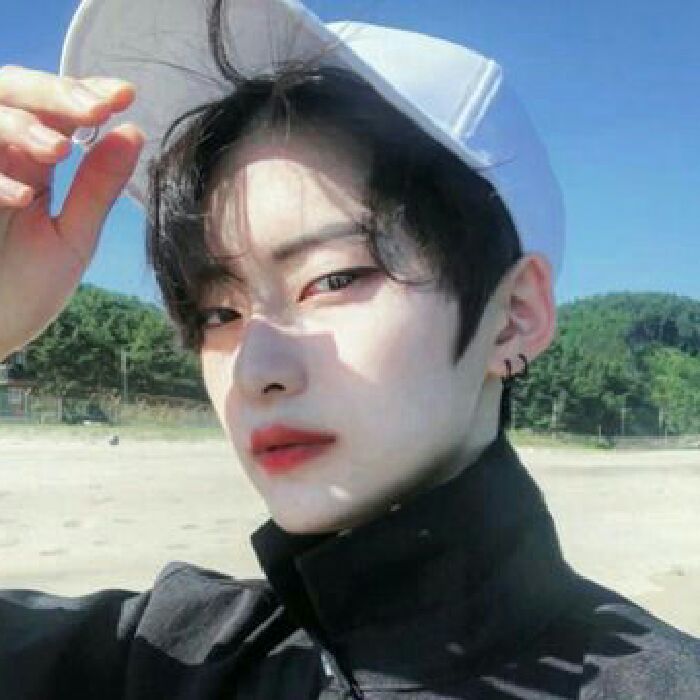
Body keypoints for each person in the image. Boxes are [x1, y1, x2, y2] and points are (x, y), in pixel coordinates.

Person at [0, 0, 698, 697]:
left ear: (513, 316)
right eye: (219, 312)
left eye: (333, 280)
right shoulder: (161, 656)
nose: (256, 370)